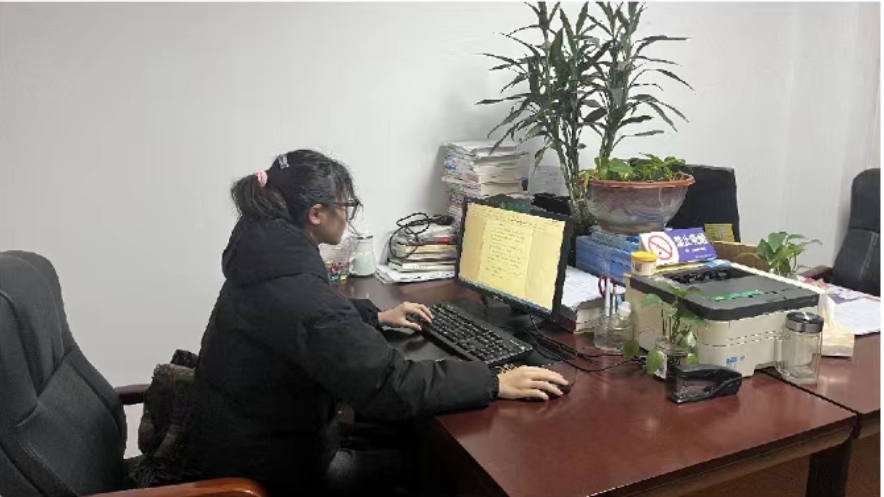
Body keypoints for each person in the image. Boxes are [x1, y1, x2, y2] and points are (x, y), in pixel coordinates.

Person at [188, 149, 568, 495]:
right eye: (346, 206)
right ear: (316, 214)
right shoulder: (297, 291)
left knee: (393, 429)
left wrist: (374, 315)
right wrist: (493, 381)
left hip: (242, 441)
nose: (348, 215)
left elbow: (300, 321)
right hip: (278, 474)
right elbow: (391, 384)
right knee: (432, 460)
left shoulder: (264, 254)